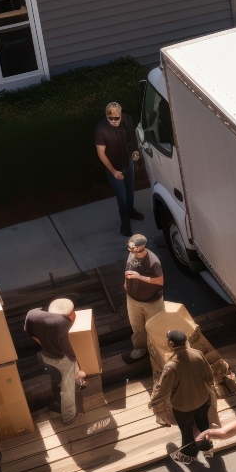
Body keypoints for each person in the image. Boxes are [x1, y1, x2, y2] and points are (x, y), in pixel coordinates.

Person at [153, 330, 215, 465]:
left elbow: (163, 389)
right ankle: (207, 448)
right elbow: (208, 377)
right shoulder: (197, 354)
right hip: (203, 399)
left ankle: (187, 455)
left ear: (170, 344)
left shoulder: (171, 366)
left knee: (187, 430)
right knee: (203, 424)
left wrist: (154, 402)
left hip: (183, 406)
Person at [24, 299, 87, 424]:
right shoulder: (63, 323)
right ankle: (69, 417)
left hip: (44, 355)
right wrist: (76, 360)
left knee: (60, 378)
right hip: (61, 358)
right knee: (67, 387)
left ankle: (79, 381)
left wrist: (44, 344)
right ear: (70, 314)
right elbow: (67, 348)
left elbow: (30, 332)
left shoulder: (32, 314)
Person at [95, 102, 143, 237]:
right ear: (106, 116)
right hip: (114, 167)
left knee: (130, 191)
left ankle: (131, 211)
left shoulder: (127, 119)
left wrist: (134, 153)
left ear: (121, 114)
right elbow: (100, 153)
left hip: (127, 163)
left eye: (117, 118)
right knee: (121, 197)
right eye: (111, 118)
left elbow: (132, 138)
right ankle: (125, 223)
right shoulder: (101, 128)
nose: (114, 121)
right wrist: (114, 172)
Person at [124, 234, 165, 364]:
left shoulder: (153, 262)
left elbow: (160, 281)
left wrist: (139, 277)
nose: (137, 254)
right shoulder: (132, 255)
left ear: (144, 247)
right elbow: (128, 268)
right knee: (137, 327)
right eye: (133, 251)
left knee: (156, 326)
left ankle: (160, 350)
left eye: (140, 251)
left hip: (151, 301)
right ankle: (141, 348)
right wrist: (126, 283)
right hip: (133, 299)